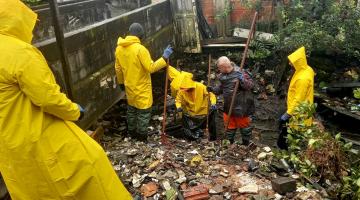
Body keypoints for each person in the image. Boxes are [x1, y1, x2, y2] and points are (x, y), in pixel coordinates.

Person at [0, 0, 132, 199]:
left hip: (12, 151)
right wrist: (74, 110)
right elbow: (48, 98)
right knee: (92, 169)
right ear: (15, 20)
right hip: (41, 139)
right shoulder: (19, 52)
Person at [115, 22, 173, 141]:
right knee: (143, 112)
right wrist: (164, 57)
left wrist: (121, 84)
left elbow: (118, 69)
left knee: (131, 110)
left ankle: (132, 132)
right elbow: (150, 68)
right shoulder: (140, 49)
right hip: (142, 87)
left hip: (129, 86)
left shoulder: (119, 48)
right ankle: (141, 136)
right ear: (141, 35)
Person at [208, 56, 255, 145]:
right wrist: (212, 90)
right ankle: (230, 145)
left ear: (224, 67)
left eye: (219, 68)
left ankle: (245, 144)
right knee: (229, 127)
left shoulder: (241, 72)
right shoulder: (222, 76)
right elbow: (221, 89)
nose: (218, 70)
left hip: (242, 107)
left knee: (245, 128)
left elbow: (250, 86)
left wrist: (242, 80)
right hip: (228, 106)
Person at [277, 46, 315, 150]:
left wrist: (288, 113)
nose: (290, 64)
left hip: (298, 113)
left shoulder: (303, 78)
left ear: (298, 62)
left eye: (292, 62)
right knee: (288, 133)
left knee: (292, 136)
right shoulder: (307, 69)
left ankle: (289, 154)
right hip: (299, 109)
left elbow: (298, 99)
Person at [175, 73, 217, 140]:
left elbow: (211, 94)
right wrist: (178, 107)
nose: (187, 90)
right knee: (192, 126)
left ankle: (204, 136)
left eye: (188, 89)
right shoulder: (182, 90)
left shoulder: (200, 86)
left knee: (203, 125)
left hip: (202, 112)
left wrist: (213, 103)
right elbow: (178, 100)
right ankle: (196, 136)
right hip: (191, 113)